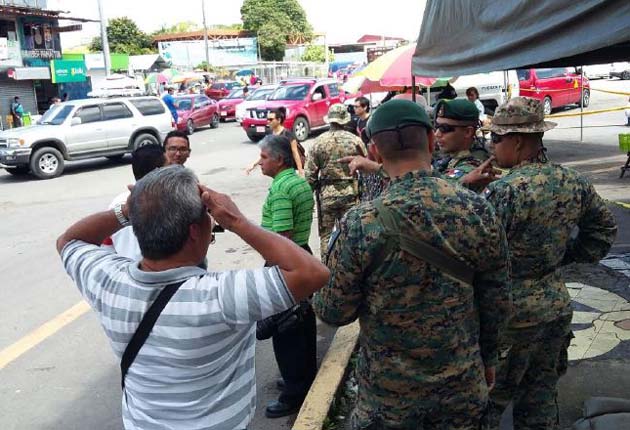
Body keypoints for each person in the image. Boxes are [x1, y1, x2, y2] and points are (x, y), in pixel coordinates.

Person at [57, 165, 330, 430]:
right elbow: (312, 272)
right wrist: (237, 221)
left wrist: (129, 211)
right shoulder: (221, 297)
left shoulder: (107, 282)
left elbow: (69, 240)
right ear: (194, 231)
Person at [314, 99, 511, 430]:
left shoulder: (360, 223)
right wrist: (488, 360)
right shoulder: (478, 210)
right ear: (431, 142)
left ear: (374, 151)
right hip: (461, 389)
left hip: (387, 400)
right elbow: (497, 299)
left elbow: (333, 311)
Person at [462, 97, 617, 429]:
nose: (491, 146)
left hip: (508, 317)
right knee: (540, 400)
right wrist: (565, 257)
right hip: (554, 307)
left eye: (496, 138)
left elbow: (473, 253)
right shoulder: (572, 182)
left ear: (517, 141)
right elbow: (603, 229)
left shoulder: (503, 192)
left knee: (486, 404)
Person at [256, 134, 317, 418]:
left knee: (286, 329)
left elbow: (282, 237)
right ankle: (303, 377)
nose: (260, 163)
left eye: (264, 157)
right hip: (301, 255)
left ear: (279, 160)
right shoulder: (296, 180)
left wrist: (273, 272)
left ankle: (294, 390)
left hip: (285, 260)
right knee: (302, 322)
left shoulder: (281, 189)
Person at [305, 104, 365, 260]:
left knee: (326, 235)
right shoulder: (355, 140)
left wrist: (308, 200)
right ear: (344, 120)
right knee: (352, 232)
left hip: (327, 196)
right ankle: (351, 264)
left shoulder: (318, 142)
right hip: (351, 193)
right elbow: (366, 166)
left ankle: (327, 266)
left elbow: (310, 174)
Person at [103, 144, 166, 260]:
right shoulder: (166, 203)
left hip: (125, 272)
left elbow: (107, 245)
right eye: (169, 167)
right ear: (159, 171)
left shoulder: (117, 203)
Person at [432, 98, 490, 192]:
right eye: (437, 126)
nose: (437, 134)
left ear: (468, 132)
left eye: (445, 128)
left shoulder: (475, 166)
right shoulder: (450, 157)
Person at [246, 107, 305, 176]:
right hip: (278, 169)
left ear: (279, 120)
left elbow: (295, 153)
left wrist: (300, 171)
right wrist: (253, 164)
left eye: (271, 119)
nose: (268, 121)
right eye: (267, 119)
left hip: (289, 170)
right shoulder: (271, 134)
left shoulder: (288, 134)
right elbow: (265, 153)